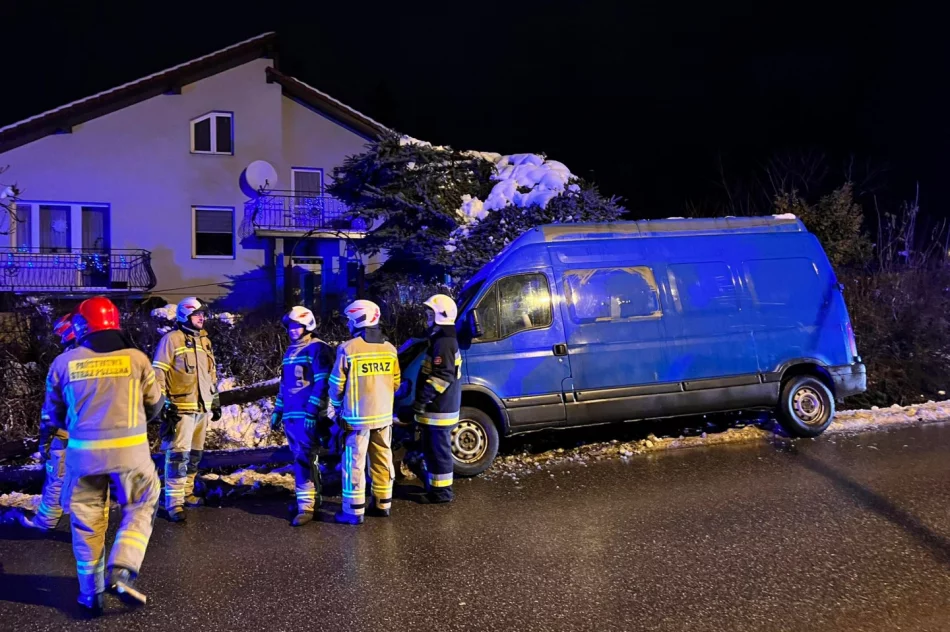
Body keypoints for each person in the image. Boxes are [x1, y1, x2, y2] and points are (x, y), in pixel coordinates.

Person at [43, 296, 164, 615]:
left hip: (83, 459)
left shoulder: (63, 363)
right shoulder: (136, 358)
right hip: (131, 457)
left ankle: (90, 594)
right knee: (142, 503)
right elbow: (155, 405)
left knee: (87, 523)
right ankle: (122, 569)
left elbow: (55, 415)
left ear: (80, 327)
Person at [328, 300, 400, 525]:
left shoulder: (348, 348)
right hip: (384, 417)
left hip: (356, 419)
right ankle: (382, 504)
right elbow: (396, 382)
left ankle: (353, 511)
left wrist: (337, 407)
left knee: (354, 463)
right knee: (382, 459)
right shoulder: (390, 349)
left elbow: (336, 385)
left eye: (350, 320)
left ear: (359, 320)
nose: (348, 325)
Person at [151, 297, 221, 522]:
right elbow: (158, 373)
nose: (202, 318)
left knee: (195, 454)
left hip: (201, 407)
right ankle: (174, 502)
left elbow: (211, 374)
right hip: (180, 408)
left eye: (203, 314)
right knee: (178, 455)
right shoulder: (171, 339)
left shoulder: (205, 341)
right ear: (185, 315)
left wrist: (215, 400)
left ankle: (187, 492)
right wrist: (163, 403)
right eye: (197, 314)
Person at [271, 306, 334, 526]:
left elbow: (323, 382)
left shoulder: (317, 348)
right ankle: (309, 501)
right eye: (290, 327)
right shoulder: (291, 350)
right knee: (301, 458)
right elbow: (284, 385)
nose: (292, 330)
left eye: (297, 326)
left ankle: (306, 507)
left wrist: (313, 410)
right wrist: (278, 410)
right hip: (292, 415)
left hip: (307, 415)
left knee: (304, 459)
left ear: (308, 326)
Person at [20, 313, 78, 531]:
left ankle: (46, 521)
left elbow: (52, 405)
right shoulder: (100, 358)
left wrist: (45, 438)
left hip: (64, 434)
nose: (60, 338)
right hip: (95, 435)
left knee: (57, 477)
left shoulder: (64, 361)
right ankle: (89, 527)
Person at [411, 294, 462, 503]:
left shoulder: (444, 342)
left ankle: (442, 493)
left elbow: (442, 376)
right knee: (433, 452)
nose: (427, 317)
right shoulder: (442, 339)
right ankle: (434, 488)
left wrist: (422, 399)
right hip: (439, 408)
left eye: (430, 314)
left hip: (439, 409)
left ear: (441, 315)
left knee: (439, 454)